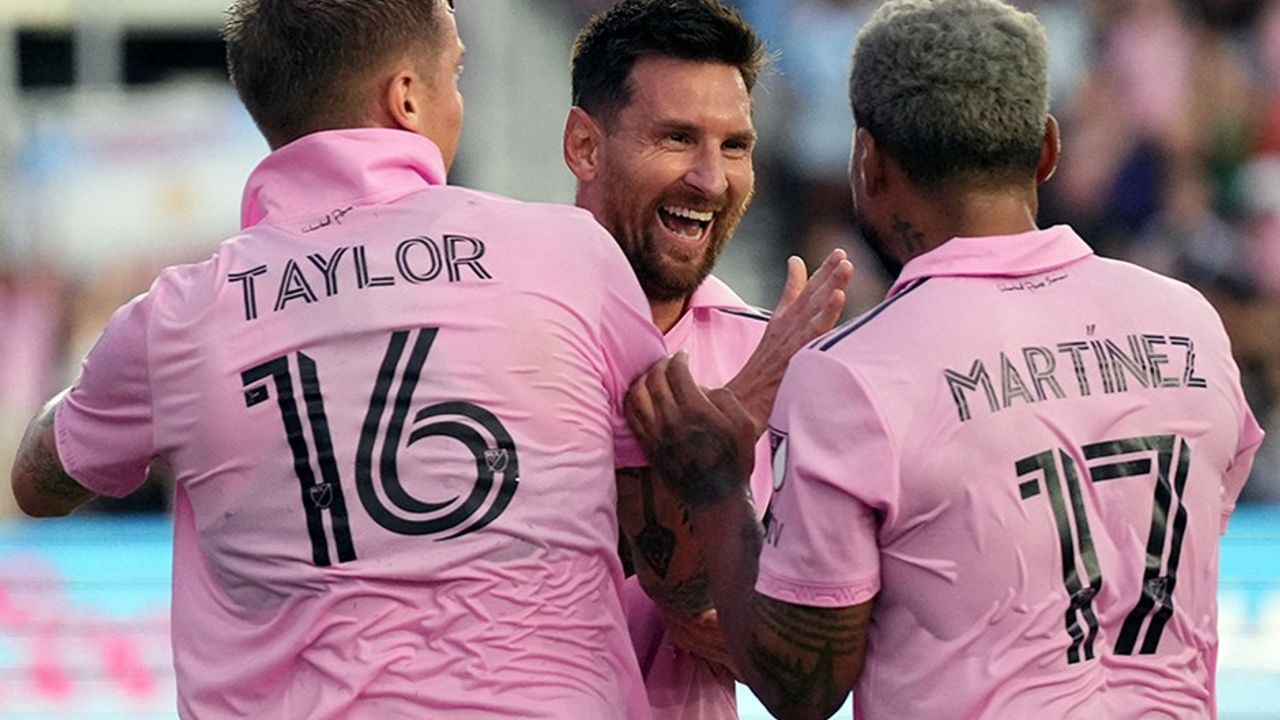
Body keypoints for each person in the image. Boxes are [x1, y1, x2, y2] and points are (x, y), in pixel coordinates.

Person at [15, 1, 661, 717]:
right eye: (455, 74)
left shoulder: (175, 319)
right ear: (406, 97)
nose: (460, 99)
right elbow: (668, 469)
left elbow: (40, 482)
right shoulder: (569, 252)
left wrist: (113, 388)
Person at [625, 1, 1266, 718]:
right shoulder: (1189, 323)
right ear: (1047, 149)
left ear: (868, 162)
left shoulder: (856, 373)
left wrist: (716, 487)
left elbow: (802, 686)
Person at [563, 2, 853, 718]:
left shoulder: (779, 358)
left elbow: (807, 650)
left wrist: (765, 629)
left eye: (734, 146)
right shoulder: (496, 328)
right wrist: (745, 400)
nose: (711, 179)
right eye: (677, 138)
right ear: (585, 147)